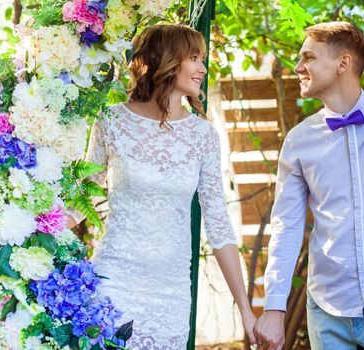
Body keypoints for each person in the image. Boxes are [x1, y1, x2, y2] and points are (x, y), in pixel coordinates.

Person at [67, 24, 256, 349]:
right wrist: (30, 235)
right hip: (115, 281)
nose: (202, 68)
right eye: (194, 58)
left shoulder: (203, 136)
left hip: (171, 293)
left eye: (203, 59)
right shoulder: (111, 121)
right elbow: (81, 199)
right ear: (167, 60)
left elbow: (219, 225)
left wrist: (245, 308)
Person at [253, 22, 364, 350]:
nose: (299, 67)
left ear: (343, 63)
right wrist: (274, 306)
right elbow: (286, 225)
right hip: (327, 312)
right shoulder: (299, 140)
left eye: (309, 58)